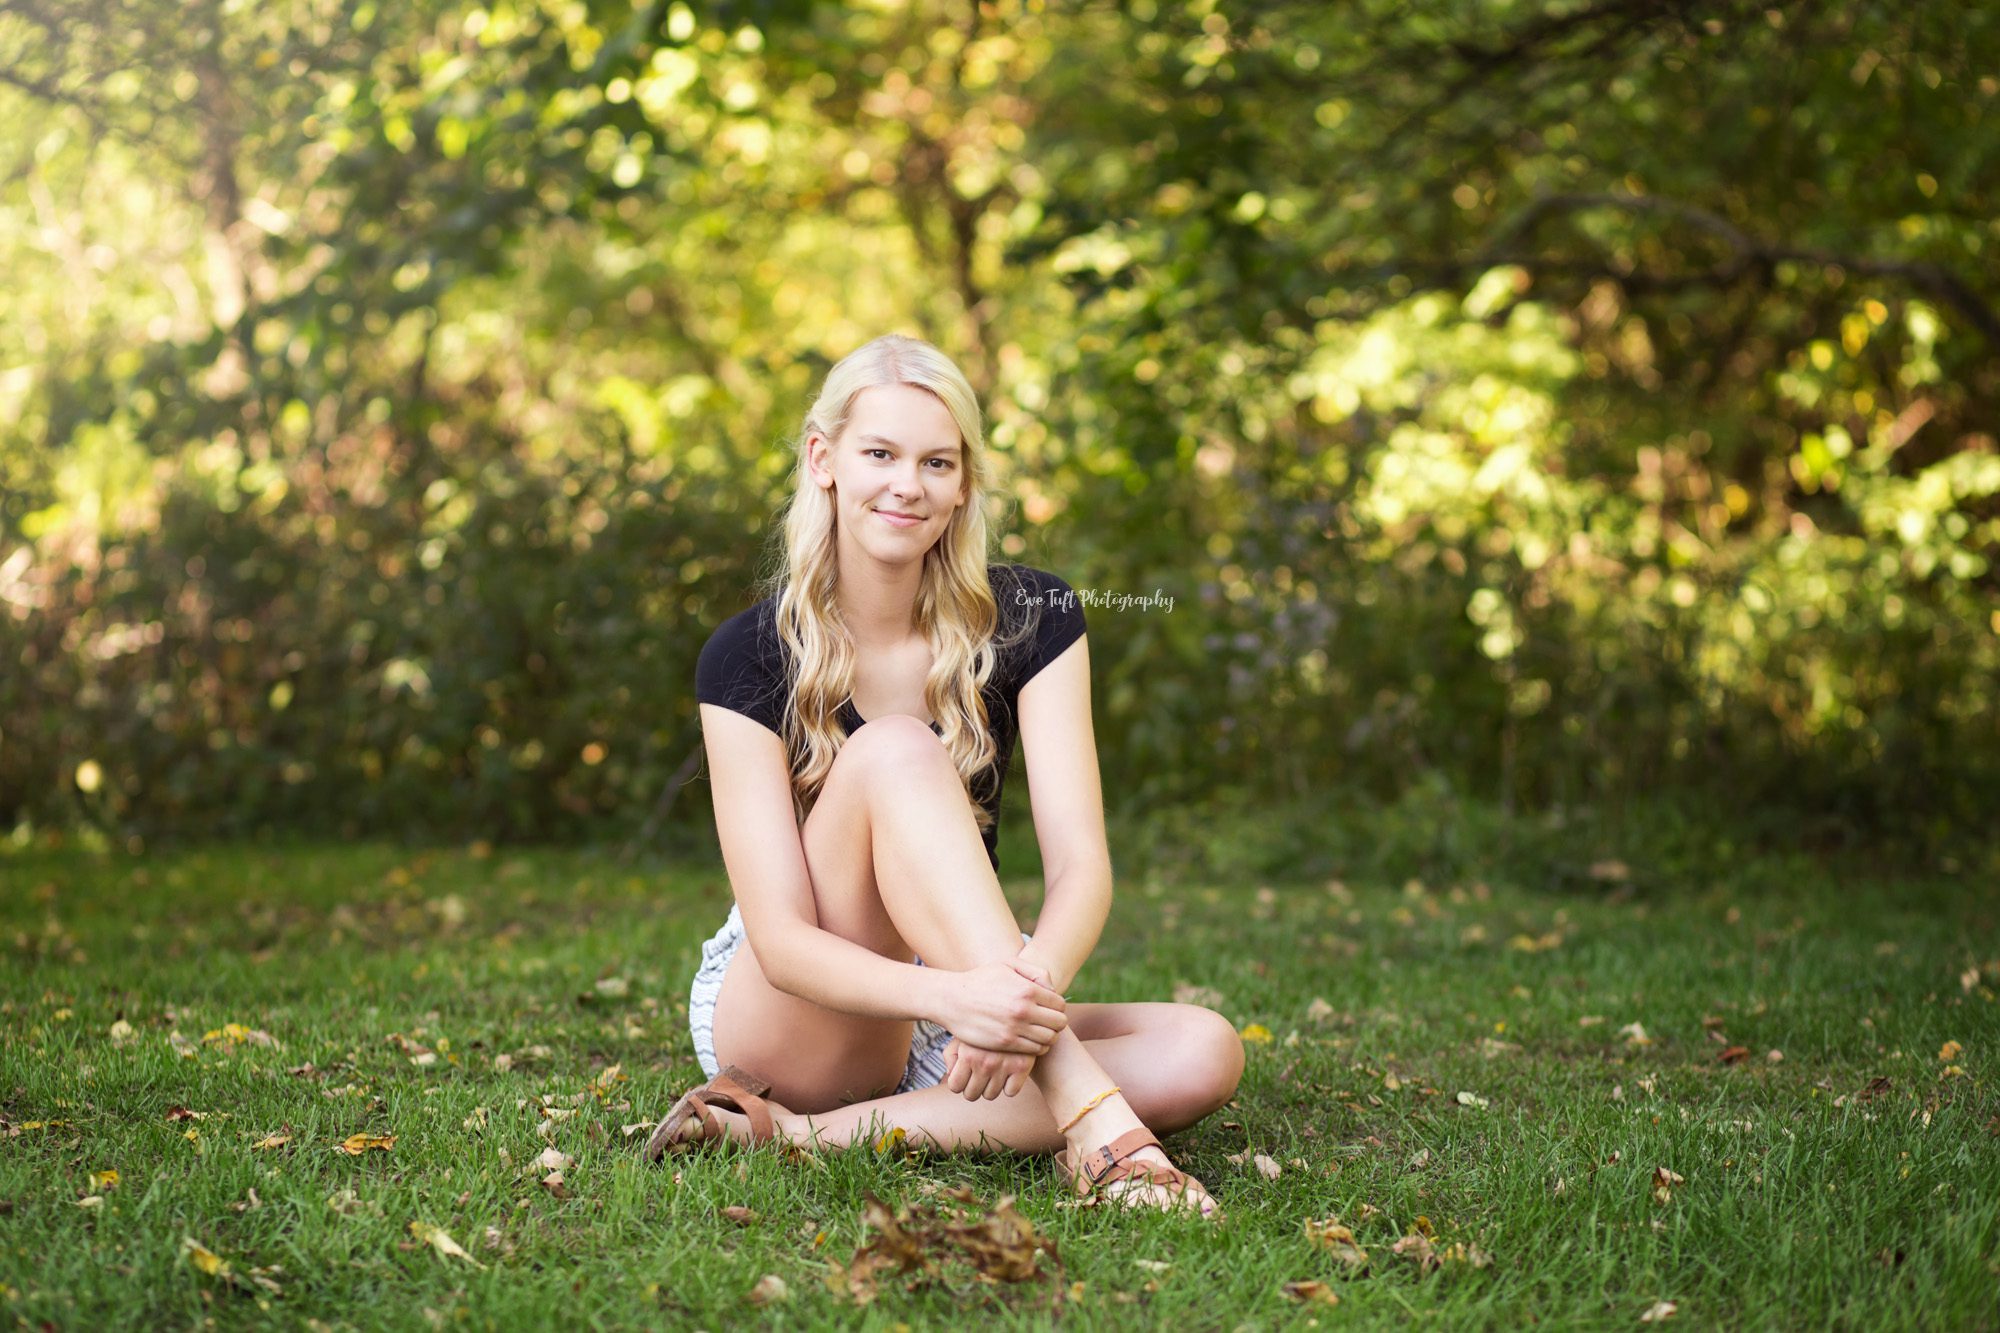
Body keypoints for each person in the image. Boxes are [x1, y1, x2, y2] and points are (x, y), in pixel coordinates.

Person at [646, 333, 1241, 1216]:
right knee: (894, 747)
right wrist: (960, 997)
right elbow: (781, 938)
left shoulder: (1035, 616)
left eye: (936, 461)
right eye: (879, 453)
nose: (907, 484)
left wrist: (1010, 1001)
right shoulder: (746, 655)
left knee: (1204, 1048)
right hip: (800, 1003)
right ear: (825, 460)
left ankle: (792, 1136)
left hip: (959, 994)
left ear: (964, 482)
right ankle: (1099, 1129)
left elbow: (1083, 868)